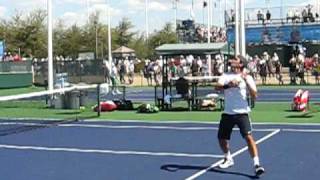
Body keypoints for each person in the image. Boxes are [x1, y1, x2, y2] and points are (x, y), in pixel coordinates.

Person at [215, 56, 265, 176]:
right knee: (222, 139)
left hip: (242, 113)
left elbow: (254, 96)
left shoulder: (247, 77)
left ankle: (257, 164)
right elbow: (217, 87)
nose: (232, 61)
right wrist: (229, 85)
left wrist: (247, 82)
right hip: (228, 113)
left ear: (240, 63)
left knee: (248, 137)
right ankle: (228, 158)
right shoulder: (225, 76)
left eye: (235, 60)